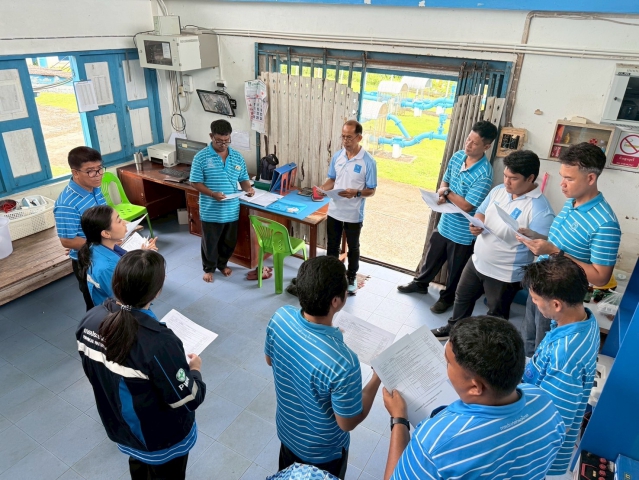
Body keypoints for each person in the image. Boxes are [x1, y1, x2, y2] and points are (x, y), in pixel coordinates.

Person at [382, 316, 565, 480]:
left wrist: (399, 419)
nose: (445, 368)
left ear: (476, 387)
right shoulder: (544, 404)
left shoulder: (435, 443)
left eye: (448, 363)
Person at [76, 250, 206, 480]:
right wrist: (194, 369)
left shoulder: (89, 320)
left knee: (139, 467)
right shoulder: (159, 343)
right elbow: (188, 398)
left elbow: (95, 374)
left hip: (123, 427)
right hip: (160, 439)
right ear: (156, 292)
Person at [265, 256, 382, 479]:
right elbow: (347, 422)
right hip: (323, 456)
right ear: (336, 301)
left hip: (288, 434)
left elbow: (270, 360)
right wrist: (378, 376)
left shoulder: (280, 318)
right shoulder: (344, 363)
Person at [431, 150, 555, 338]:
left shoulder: (540, 209)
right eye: (505, 176)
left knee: (495, 316)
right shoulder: (499, 190)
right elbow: (481, 211)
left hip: (505, 273)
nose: (507, 182)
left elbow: (540, 247)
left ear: (530, 178)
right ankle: (453, 329)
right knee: (462, 298)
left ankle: (487, 346)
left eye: (513, 178)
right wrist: (476, 224)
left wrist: (532, 237)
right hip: (478, 261)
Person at [517, 142, 621, 356]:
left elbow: (601, 277)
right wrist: (537, 238)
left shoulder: (605, 223)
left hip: (558, 300)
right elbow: (561, 243)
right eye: (562, 176)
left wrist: (553, 252)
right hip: (539, 285)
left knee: (543, 349)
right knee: (528, 339)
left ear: (590, 178)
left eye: (569, 179)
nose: (562, 184)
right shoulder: (571, 202)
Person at [397, 121, 498, 314]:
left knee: (455, 271)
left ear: (486, 146)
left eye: (474, 143)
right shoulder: (458, 156)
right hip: (445, 223)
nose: (468, 145)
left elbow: (467, 205)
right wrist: (443, 192)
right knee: (431, 258)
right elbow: (445, 180)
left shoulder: (484, 174)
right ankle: (420, 284)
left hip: (462, 233)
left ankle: (447, 299)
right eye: (468, 139)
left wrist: (447, 193)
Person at [520, 256, 599, 477]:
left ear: (556, 304)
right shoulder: (584, 319)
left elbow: (555, 423)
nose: (533, 302)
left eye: (535, 299)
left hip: (538, 453)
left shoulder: (564, 357)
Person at [189, 119, 255, 283]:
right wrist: (212, 194)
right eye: (219, 141)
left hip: (231, 209)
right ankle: (209, 268)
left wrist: (248, 189)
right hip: (211, 210)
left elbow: (243, 178)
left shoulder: (237, 157)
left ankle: (222, 264)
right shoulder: (201, 157)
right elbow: (195, 182)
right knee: (210, 242)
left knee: (228, 242)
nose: (223, 144)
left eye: (227, 140)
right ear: (211, 136)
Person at [319, 120, 377, 293]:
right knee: (332, 246)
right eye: (343, 137)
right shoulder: (338, 156)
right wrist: (322, 189)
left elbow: (371, 190)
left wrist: (357, 193)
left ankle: (351, 276)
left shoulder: (368, 161)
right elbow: (332, 179)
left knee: (353, 247)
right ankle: (332, 275)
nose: (345, 141)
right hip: (335, 210)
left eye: (349, 137)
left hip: (353, 213)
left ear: (359, 138)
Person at [54, 146, 107, 311]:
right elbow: (67, 241)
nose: (98, 175)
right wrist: (101, 244)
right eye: (90, 171)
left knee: (112, 297)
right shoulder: (66, 204)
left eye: (100, 169)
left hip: (105, 251)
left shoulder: (94, 188)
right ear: (75, 173)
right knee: (96, 306)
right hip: (87, 261)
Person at [77, 205, 158, 306]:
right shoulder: (107, 268)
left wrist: (142, 254)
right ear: (106, 234)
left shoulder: (95, 247)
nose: (125, 223)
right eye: (119, 221)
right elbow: (128, 301)